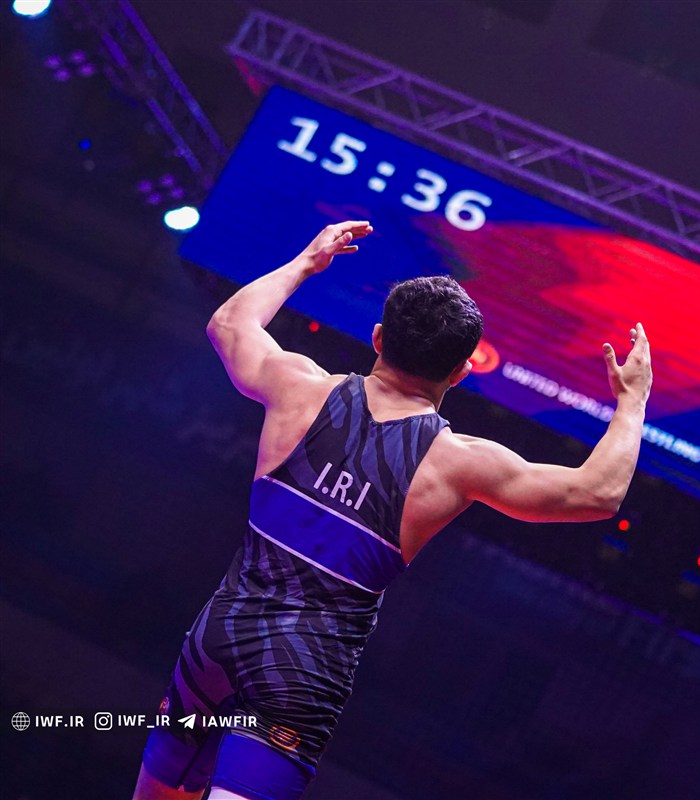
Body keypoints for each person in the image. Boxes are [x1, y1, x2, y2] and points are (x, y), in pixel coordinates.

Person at [134, 221, 652, 800]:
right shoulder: (457, 464)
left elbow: (230, 324)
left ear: (379, 338)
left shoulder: (300, 388)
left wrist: (306, 262)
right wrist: (631, 403)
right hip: (301, 674)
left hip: (217, 639)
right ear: (462, 371)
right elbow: (596, 493)